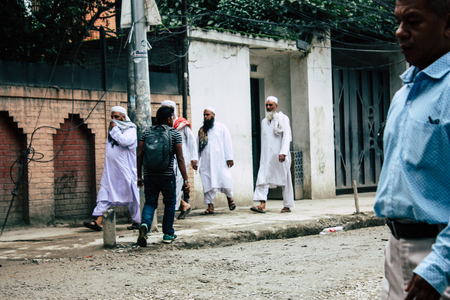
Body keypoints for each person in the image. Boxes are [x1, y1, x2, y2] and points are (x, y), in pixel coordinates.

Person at [374, 0, 450, 299]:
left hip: (438, 255)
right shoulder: (404, 94)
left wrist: (438, 266)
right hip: (397, 248)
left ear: (447, 25)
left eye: (414, 22)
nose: (399, 32)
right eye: (398, 21)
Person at [136, 106, 190, 247]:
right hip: (167, 175)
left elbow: (140, 154)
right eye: (172, 117)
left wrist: (139, 177)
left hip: (149, 175)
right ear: (168, 119)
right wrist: (186, 179)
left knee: (150, 203)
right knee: (170, 202)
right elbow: (180, 158)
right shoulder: (174, 134)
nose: (172, 120)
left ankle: (145, 225)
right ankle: (168, 233)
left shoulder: (146, 132)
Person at [83, 106, 140, 231]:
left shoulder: (130, 129)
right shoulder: (113, 130)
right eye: (112, 117)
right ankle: (99, 221)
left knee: (131, 197)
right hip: (111, 171)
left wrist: (115, 129)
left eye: (117, 117)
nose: (114, 120)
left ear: (124, 117)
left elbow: (124, 141)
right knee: (105, 193)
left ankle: (138, 221)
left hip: (125, 170)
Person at [250, 96, 294, 214]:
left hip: (280, 155)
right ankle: (262, 204)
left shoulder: (283, 119)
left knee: (285, 178)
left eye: (271, 105)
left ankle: (287, 205)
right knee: (263, 177)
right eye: (267, 105)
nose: (268, 107)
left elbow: (286, 137)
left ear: (276, 106)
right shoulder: (264, 121)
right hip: (266, 156)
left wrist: (283, 152)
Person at [160, 100, 198, 219]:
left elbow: (191, 141)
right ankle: (183, 205)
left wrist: (194, 158)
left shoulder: (182, 124)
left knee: (175, 186)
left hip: (181, 160)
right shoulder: (162, 125)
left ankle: (171, 213)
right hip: (167, 161)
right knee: (168, 187)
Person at [197, 106, 236, 215]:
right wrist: (195, 160)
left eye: (208, 115)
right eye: (204, 115)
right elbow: (198, 146)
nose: (205, 117)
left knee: (225, 180)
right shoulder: (202, 130)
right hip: (206, 162)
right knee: (207, 182)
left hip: (220, 161)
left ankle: (230, 199)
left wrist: (229, 158)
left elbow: (228, 143)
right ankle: (210, 207)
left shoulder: (222, 128)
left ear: (213, 115)